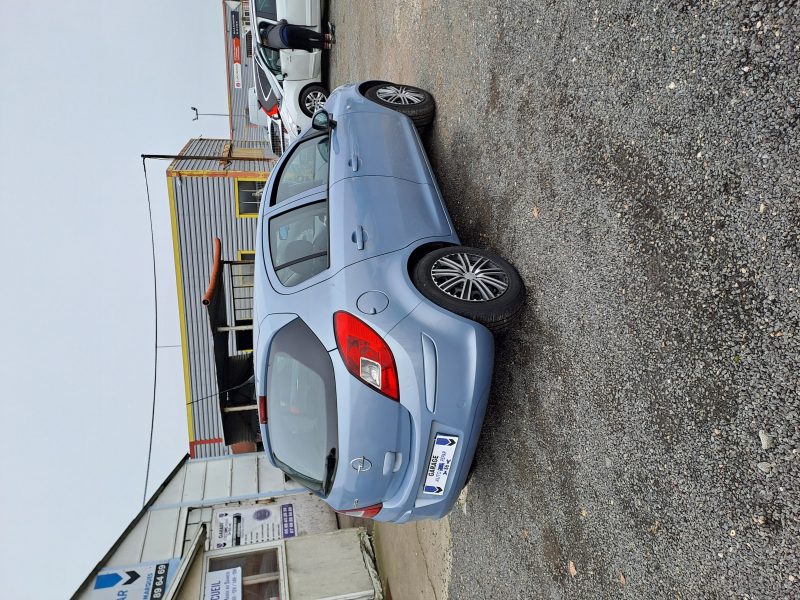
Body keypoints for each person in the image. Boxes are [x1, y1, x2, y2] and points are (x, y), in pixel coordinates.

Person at [258, 20, 335, 52]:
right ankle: (329, 37)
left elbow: (281, 48)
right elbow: (282, 22)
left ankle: (327, 46)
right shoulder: (268, 28)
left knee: (307, 43)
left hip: (286, 42)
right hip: (285, 30)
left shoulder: (269, 45)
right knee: (307, 34)